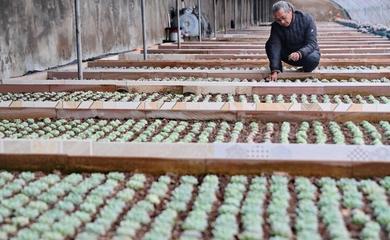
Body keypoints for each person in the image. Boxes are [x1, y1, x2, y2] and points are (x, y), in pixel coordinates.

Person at [265, 1, 320, 81]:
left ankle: (305, 69)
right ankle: (278, 69)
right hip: (288, 55)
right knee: (270, 44)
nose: (282, 22)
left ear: (290, 11)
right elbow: (274, 46)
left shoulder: (306, 19)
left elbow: (311, 43)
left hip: (305, 55)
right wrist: (274, 70)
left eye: (283, 17)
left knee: (313, 58)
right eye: (278, 20)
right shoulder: (276, 26)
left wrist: (300, 53)